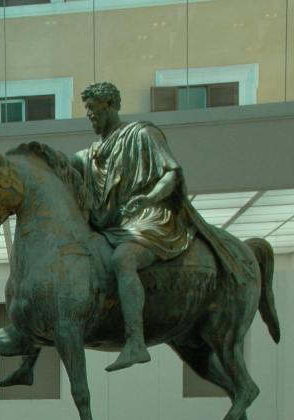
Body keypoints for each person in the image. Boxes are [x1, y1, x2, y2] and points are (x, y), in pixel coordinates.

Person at [71, 80, 246, 372]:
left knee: (123, 259)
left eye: (93, 108)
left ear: (111, 106)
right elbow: (59, 175)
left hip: (151, 218)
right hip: (110, 225)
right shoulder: (86, 156)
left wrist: (146, 199)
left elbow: (172, 175)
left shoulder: (142, 134)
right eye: (86, 109)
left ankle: (136, 342)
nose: (89, 114)